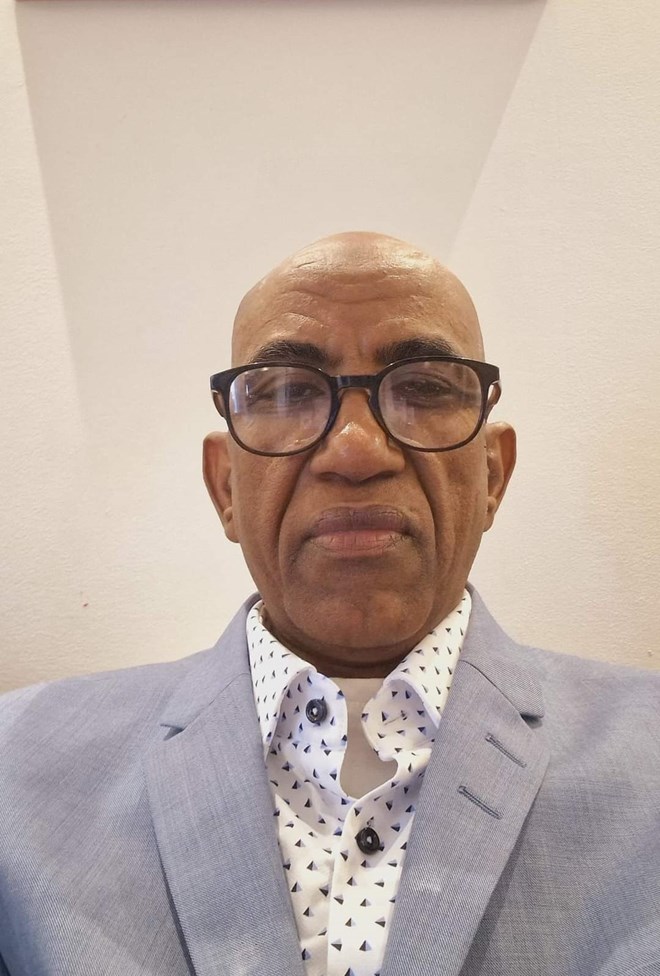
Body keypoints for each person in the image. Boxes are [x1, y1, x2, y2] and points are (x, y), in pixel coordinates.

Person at [0, 232, 658, 976]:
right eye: (287, 391)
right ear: (225, 486)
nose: (356, 450)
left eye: (425, 388)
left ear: (493, 476)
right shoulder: (15, 774)